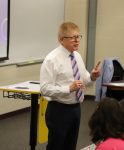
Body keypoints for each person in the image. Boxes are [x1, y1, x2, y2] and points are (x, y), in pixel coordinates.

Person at [40, 22, 100, 150]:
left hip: (75, 108)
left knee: (70, 146)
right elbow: (44, 89)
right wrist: (68, 89)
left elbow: (85, 81)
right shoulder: (51, 59)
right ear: (61, 40)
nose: (77, 41)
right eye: (72, 37)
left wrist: (92, 77)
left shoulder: (77, 56)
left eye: (78, 37)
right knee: (56, 146)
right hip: (58, 110)